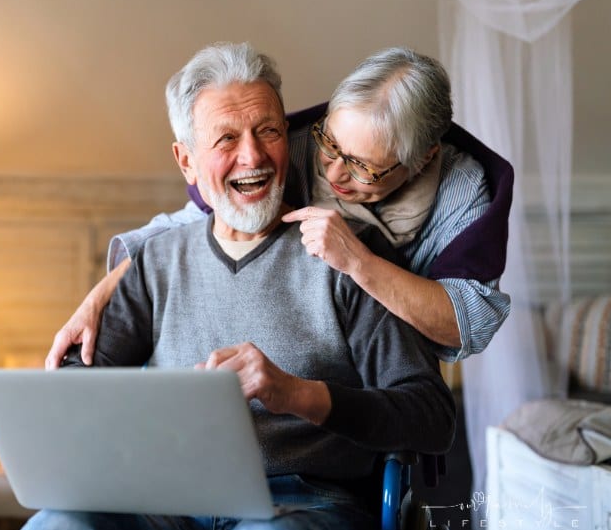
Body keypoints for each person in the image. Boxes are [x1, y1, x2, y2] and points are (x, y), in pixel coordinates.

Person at [9, 42, 455, 530]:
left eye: (268, 130)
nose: (254, 156)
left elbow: (431, 414)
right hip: (169, 507)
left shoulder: (349, 254)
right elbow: (83, 378)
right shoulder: (156, 261)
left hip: (304, 508)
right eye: (226, 139)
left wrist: (300, 395)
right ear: (187, 162)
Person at [45, 46, 512, 370]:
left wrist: (359, 263)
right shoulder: (285, 146)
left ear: (425, 156)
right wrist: (99, 295)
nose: (332, 175)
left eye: (363, 169)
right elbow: (195, 222)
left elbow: (466, 321)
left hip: (373, 363)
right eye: (331, 146)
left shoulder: (462, 187)